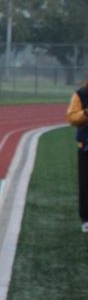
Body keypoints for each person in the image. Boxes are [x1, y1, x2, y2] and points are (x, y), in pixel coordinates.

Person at [66, 76, 88, 233]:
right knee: (86, 185)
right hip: (86, 147)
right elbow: (72, 118)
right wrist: (86, 112)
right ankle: (86, 219)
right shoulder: (80, 94)